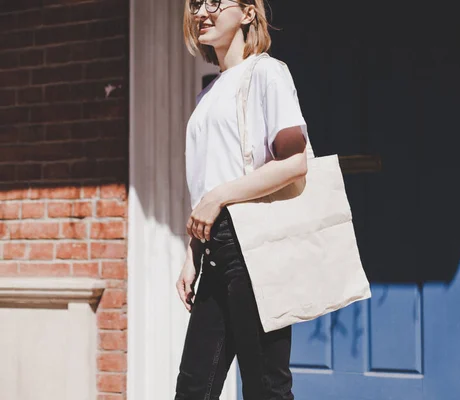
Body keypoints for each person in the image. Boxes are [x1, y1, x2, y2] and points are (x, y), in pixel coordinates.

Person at [174, 0, 309, 399]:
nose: (201, 12)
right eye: (196, 4)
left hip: (254, 244)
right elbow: (207, 180)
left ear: (248, 13)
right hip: (216, 251)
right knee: (194, 387)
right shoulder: (207, 95)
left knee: (265, 385)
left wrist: (219, 197)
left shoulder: (267, 72)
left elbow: (295, 162)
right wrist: (192, 254)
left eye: (214, 2)